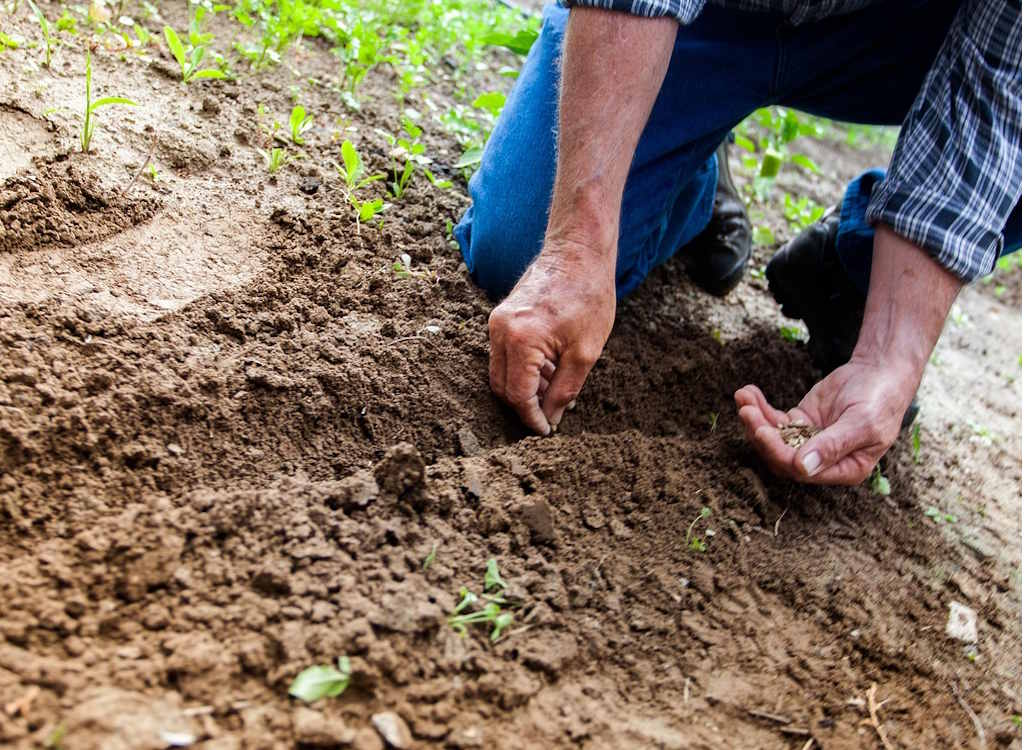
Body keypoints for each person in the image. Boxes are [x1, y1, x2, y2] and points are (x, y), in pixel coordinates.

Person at [454, 0, 1022, 485]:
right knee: (519, 249)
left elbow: (997, 94)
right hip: (707, 15)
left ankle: (859, 267)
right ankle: (691, 166)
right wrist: (577, 246)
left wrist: (890, 359)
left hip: (900, 33)